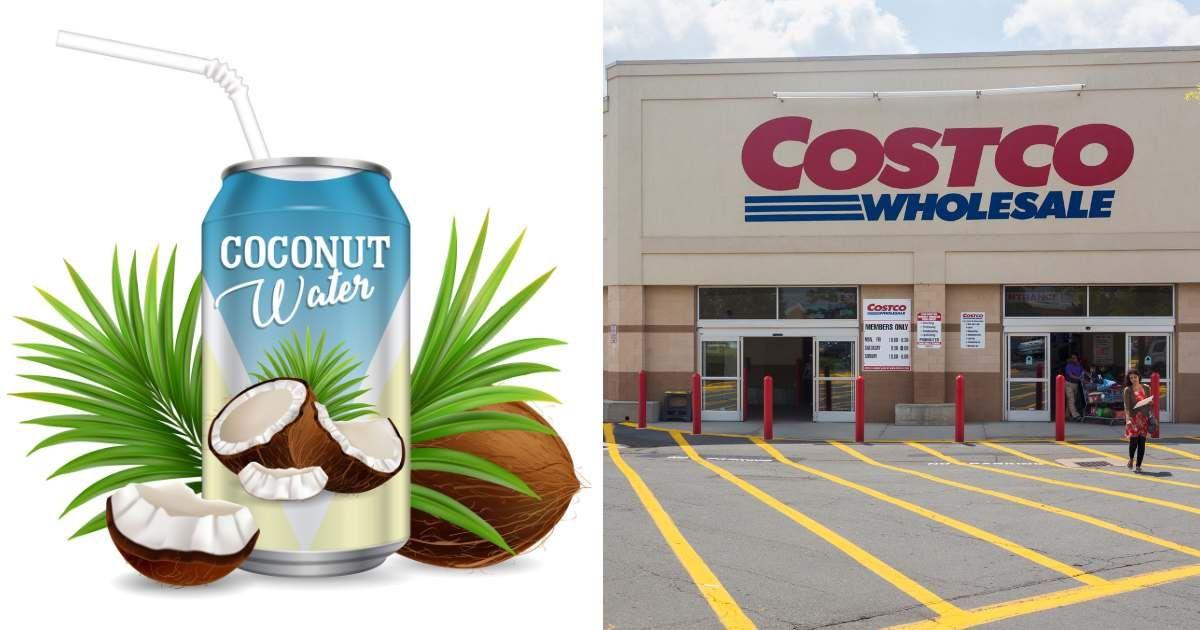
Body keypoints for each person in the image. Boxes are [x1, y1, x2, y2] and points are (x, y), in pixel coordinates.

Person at [1123, 370, 1152, 473]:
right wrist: (1127, 419)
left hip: (1144, 418)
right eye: (1131, 378)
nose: (1133, 379)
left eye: (1135, 377)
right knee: (1134, 441)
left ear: (1139, 377)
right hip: (1133, 418)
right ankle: (1131, 459)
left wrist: (1150, 403)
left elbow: (1149, 403)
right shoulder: (1128, 390)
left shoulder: (1146, 388)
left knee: (1142, 442)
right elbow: (1126, 406)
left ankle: (1138, 465)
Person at [1064, 354, 1084, 420]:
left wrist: (1089, 375)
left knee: (1071, 400)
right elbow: (1070, 375)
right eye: (1072, 358)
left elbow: (1083, 371)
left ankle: (1067, 415)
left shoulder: (1079, 366)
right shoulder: (1068, 366)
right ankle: (1076, 415)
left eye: (1075, 358)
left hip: (1076, 384)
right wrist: (1079, 378)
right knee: (1071, 400)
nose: (1073, 359)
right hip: (1069, 384)